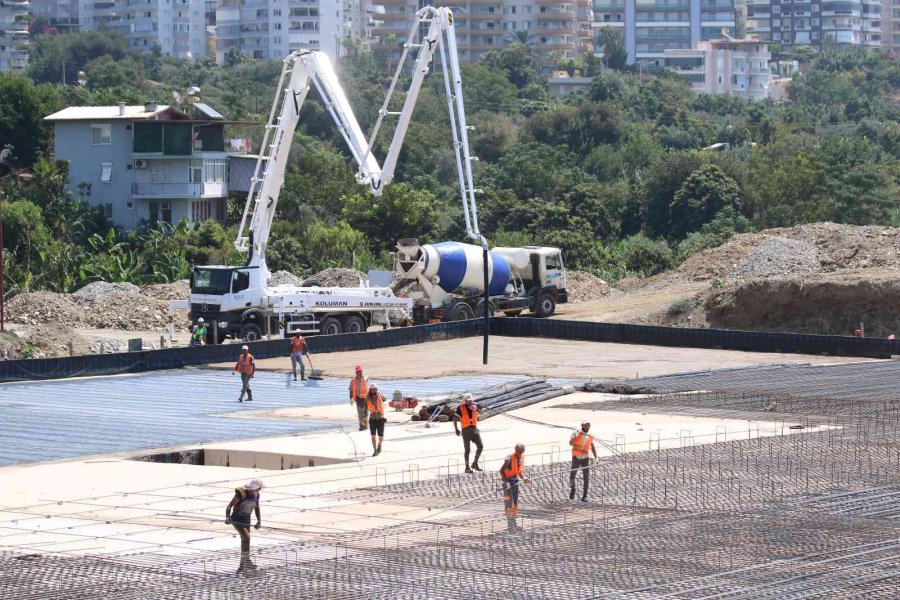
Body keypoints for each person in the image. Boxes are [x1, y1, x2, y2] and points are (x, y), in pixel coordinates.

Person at [225, 478, 262, 574]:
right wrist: (227, 517)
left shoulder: (257, 496)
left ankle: (243, 565)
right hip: (236, 519)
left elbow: (257, 508)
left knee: (245, 541)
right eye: (257, 489)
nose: (257, 491)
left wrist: (259, 521)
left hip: (246, 519)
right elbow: (229, 506)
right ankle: (246, 562)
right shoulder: (241, 494)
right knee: (246, 537)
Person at [499, 443, 528, 532]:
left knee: (515, 503)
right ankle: (510, 525)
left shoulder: (521, 457)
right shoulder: (509, 458)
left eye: (521, 452)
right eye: (518, 451)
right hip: (507, 483)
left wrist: (524, 477)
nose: (519, 453)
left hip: (515, 482)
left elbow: (519, 471)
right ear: (516, 450)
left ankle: (513, 524)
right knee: (509, 504)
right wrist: (506, 482)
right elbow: (501, 470)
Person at [453, 392, 483, 474]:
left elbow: (481, 413)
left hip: (474, 429)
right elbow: (455, 418)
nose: (470, 402)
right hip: (465, 431)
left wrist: (480, 408)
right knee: (467, 450)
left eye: (471, 400)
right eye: (468, 400)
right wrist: (456, 429)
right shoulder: (460, 408)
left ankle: (475, 463)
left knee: (480, 446)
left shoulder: (475, 407)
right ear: (465, 401)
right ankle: (467, 467)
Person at [569, 420, 598, 502]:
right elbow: (571, 443)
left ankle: (585, 495)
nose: (587, 427)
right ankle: (573, 489)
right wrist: (579, 436)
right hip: (576, 457)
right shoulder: (575, 432)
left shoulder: (590, 435)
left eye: (588, 425)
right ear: (582, 425)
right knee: (572, 475)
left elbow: (592, 446)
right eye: (585, 425)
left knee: (586, 477)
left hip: (585, 458)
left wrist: (596, 457)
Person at [366, 382, 387, 456]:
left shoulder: (380, 395)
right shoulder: (367, 397)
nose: (373, 391)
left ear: (376, 389)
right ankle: (375, 450)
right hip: (372, 418)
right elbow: (365, 406)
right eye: (372, 390)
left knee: (381, 435)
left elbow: (385, 399)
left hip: (380, 417)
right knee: (373, 435)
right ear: (370, 390)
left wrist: (381, 395)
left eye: (374, 389)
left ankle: (379, 445)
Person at [348, 365, 368, 431]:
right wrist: (351, 399)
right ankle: (361, 427)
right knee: (360, 414)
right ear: (356, 372)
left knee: (366, 413)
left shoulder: (364, 379)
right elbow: (351, 390)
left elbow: (367, 379)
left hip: (365, 398)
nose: (359, 372)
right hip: (358, 398)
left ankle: (365, 426)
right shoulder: (353, 381)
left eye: (360, 371)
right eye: (358, 371)